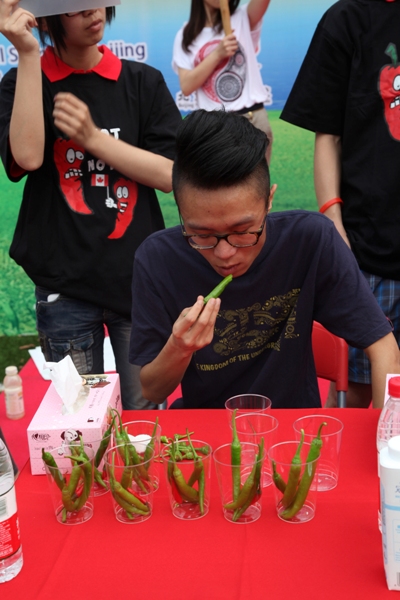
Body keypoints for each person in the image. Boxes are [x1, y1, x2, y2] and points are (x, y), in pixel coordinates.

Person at [129, 109, 400, 409]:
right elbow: (153, 391)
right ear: (179, 209)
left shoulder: (310, 240)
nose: (224, 253)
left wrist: (386, 438)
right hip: (205, 434)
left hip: (294, 433)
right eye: (201, 234)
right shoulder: (157, 259)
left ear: (269, 200)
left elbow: (383, 347)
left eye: (243, 231)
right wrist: (179, 348)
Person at [0, 3, 182, 410]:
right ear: (46, 17)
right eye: (73, 8)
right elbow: (26, 158)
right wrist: (28, 55)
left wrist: (96, 140)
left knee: (146, 418)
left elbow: (173, 175)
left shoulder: (140, 81)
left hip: (137, 280)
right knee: (78, 424)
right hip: (64, 286)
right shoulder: (23, 82)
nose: (92, 13)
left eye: (96, 3)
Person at [279, 0, 400, 408]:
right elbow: (327, 134)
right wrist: (334, 220)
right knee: (359, 389)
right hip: (368, 248)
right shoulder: (347, 18)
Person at [172, 0, 273, 163]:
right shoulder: (186, 34)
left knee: (254, 186)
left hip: (253, 119)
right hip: (215, 126)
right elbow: (186, 86)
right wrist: (217, 54)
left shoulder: (243, 17)